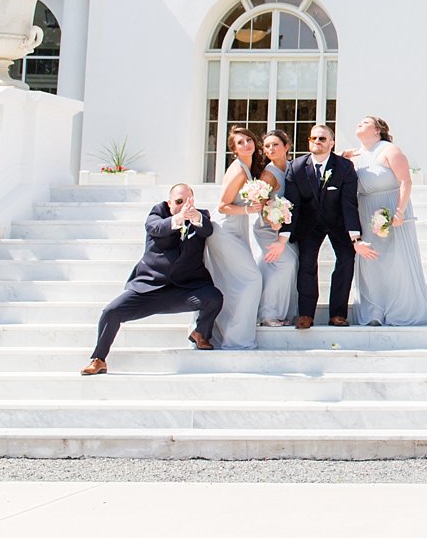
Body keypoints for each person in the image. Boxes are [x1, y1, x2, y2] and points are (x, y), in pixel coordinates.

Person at [82, 184, 223, 375]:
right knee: (111, 311)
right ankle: (99, 359)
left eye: (188, 201)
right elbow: (156, 228)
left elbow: (207, 230)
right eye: (179, 202)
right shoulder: (157, 214)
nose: (184, 206)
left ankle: (200, 334)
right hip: (149, 288)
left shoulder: (200, 215)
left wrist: (195, 217)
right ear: (169, 202)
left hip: (184, 290)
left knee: (214, 297)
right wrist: (179, 218)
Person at [281, 124, 375, 329]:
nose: (317, 142)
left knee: (346, 261)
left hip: (338, 222)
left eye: (322, 139)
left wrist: (355, 237)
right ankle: (306, 314)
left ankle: (338, 314)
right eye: (313, 138)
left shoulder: (344, 167)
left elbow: (349, 203)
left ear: (331, 143)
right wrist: (284, 234)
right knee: (307, 264)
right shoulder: (296, 167)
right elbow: (292, 204)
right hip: (309, 224)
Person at [344, 116, 427, 327]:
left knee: (395, 261)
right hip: (364, 210)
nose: (359, 123)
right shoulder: (353, 154)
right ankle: (374, 311)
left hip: (390, 207)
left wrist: (399, 211)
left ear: (377, 130)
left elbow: (406, 181)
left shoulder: (389, 150)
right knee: (370, 263)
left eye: (365, 122)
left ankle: (400, 310)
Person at [207, 127, 265, 348]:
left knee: (232, 284)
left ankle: (220, 332)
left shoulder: (249, 169)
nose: (246, 145)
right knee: (252, 279)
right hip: (225, 231)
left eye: (248, 140)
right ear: (233, 149)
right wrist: (249, 210)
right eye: (239, 143)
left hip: (237, 230)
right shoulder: (239, 171)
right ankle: (238, 340)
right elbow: (222, 206)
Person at [254, 129, 297, 327]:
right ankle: (268, 314)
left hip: (285, 229)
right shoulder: (268, 174)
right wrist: (273, 220)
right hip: (268, 228)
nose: (270, 149)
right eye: (267, 146)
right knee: (285, 263)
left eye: (275, 145)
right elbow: (261, 206)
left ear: (287, 147)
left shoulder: (292, 166)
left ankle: (283, 313)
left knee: (290, 264)